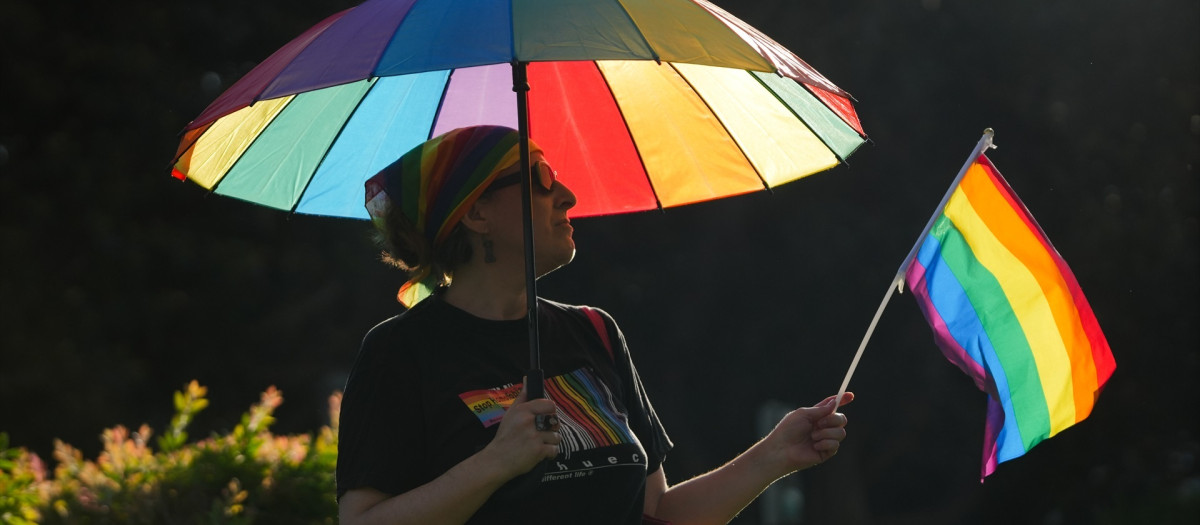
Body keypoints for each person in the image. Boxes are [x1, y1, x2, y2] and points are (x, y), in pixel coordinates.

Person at [336, 125, 853, 525]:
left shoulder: (592, 332)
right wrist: (495, 464)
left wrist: (775, 456)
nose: (568, 196)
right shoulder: (401, 351)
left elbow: (658, 514)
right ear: (475, 213)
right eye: (540, 180)